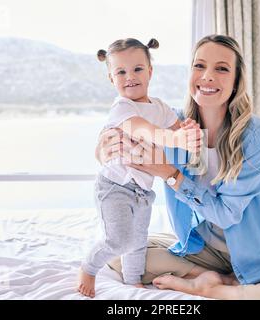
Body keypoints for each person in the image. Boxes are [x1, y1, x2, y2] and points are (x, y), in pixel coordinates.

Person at [96, 34, 260, 300]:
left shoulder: (254, 134)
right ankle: (203, 276)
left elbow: (226, 215)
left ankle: (219, 289)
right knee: (120, 254)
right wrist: (102, 148)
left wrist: (170, 175)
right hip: (205, 249)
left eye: (221, 68)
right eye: (199, 66)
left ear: (235, 81)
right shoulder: (172, 125)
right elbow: (123, 126)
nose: (207, 76)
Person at [78, 37, 202, 298]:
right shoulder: (123, 108)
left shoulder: (159, 107)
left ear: (150, 71)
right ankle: (89, 268)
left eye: (137, 69)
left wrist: (186, 132)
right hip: (115, 187)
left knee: (137, 241)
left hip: (143, 191)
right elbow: (146, 130)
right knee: (119, 240)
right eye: (120, 72)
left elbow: (175, 128)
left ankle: (133, 280)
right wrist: (174, 138)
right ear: (112, 79)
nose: (129, 77)